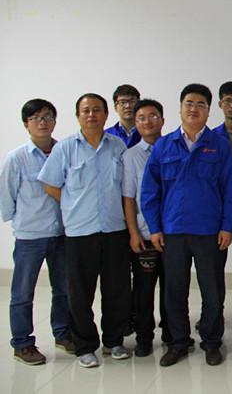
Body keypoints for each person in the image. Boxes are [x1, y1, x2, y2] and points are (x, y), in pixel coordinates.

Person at [141, 83, 232, 367]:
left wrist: (227, 226)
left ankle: (211, 341)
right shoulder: (164, 145)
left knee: (213, 290)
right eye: (189, 103)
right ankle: (178, 342)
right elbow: (149, 191)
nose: (194, 108)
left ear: (209, 111)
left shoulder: (219, 145)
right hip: (173, 231)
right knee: (174, 290)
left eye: (200, 104)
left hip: (210, 231)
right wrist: (154, 228)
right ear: (180, 108)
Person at [38, 93, 131, 368]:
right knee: (80, 292)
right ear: (78, 115)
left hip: (114, 229)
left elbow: (127, 188)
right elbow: (51, 185)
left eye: (97, 110)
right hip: (80, 232)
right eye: (86, 110)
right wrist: (72, 206)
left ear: (106, 114)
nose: (91, 115)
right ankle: (85, 346)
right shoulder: (65, 148)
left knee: (117, 290)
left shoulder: (118, 146)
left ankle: (114, 341)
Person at [1, 99, 74, 365]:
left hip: (61, 233)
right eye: (35, 118)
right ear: (26, 124)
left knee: (63, 289)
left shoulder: (64, 151)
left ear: (55, 121)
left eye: (47, 117)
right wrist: (21, 221)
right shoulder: (17, 158)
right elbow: (6, 196)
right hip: (30, 236)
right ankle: (22, 344)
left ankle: (63, 334)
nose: (42, 122)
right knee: (23, 293)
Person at [122, 99, 171, 358]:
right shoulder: (130, 156)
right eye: (141, 117)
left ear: (162, 120)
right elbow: (129, 197)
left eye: (153, 116)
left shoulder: (173, 148)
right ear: (135, 122)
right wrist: (133, 233)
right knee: (143, 290)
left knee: (172, 288)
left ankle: (172, 335)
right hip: (144, 232)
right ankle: (144, 338)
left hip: (173, 232)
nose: (147, 122)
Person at [105, 84, 142, 148]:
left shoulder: (148, 133)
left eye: (132, 101)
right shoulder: (106, 135)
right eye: (122, 102)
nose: (128, 106)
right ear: (115, 107)